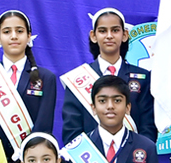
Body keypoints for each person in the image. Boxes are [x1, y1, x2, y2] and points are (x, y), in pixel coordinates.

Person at [61, 8, 155, 143]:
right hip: (91, 155)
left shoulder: (143, 77)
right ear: (93, 36)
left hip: (133, 155)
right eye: (103, 31)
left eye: (115, 30)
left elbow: (148, 128)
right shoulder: (76, 79)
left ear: (124, 35)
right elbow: (72, 131)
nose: (109, 36)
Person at [0, 10, 59, 161]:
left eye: (19, 31)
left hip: (32, 162)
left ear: (29, 36)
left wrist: (29, 156)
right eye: (7, 32)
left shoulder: (46, 78)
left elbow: (44, 124)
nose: (14, 36)